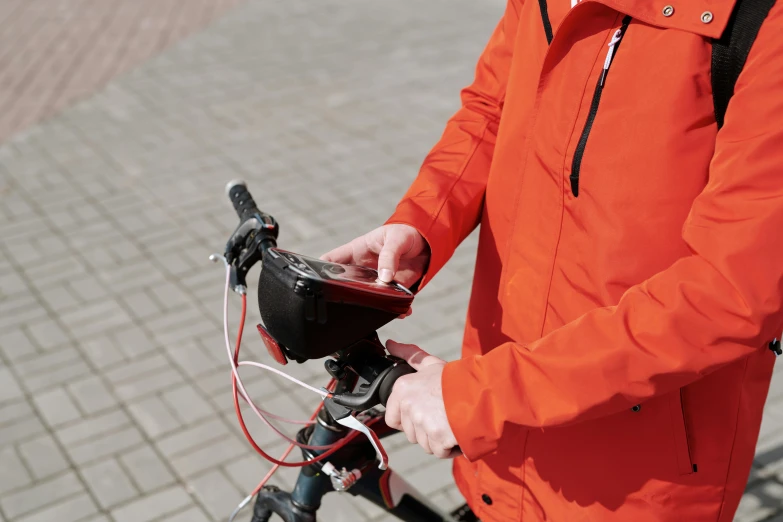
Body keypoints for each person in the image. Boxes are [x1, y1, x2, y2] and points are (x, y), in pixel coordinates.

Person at [322, 0, 783, 520]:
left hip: (636, 476)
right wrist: (422, 222)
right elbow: (491, 111)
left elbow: (732, 290)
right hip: (498, 431)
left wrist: (485, 395)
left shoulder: (762, 23)